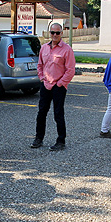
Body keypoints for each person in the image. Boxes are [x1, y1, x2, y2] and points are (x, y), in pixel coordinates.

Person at [31, 23, 76, 151]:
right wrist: (42, 78)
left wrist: (61, 83)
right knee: (41, 112)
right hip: (46, 84)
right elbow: (40, 65)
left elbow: (70, 70)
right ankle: (38, 138)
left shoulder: (67, 49)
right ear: (49, 33)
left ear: (61, 33)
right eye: (52, 32)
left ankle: (61, 140)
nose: (55, 35)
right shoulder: (44, 48)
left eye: (57, 33)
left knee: (58, 113)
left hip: (58, 86)